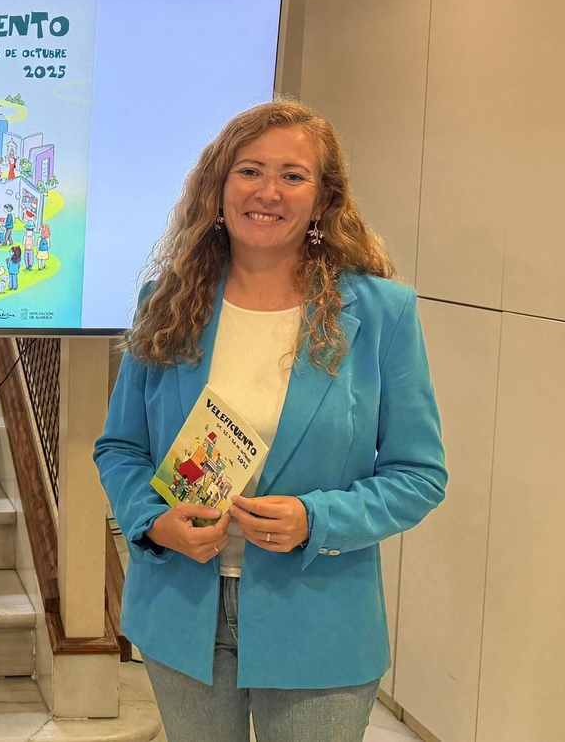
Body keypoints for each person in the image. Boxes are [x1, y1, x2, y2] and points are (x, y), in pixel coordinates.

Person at [93, 100, 446, 742]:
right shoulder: (167, 301)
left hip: (319, 621)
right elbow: (121, 448)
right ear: (219, 186)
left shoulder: (381, 313)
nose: (268, 191)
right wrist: (153, 522)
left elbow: (418, 475)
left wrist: (317, 519)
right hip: (181, 611)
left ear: (323, 199)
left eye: (293, 175)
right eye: (250, 170)